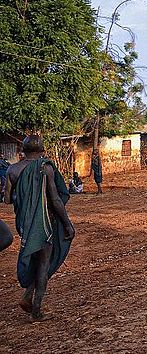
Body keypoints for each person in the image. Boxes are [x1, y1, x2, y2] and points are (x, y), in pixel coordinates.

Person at [4, 135, 75, 320]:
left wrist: (25, 195)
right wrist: (67, 224)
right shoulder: (45, 167)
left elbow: (7, 199)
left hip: (24, 224)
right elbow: (55, 198)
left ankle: (28, 295)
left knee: (36, 260)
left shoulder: (12, 169)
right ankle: (36, 311)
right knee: (43, 264)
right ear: (43, 151)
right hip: (43, 223)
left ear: (23, 150)